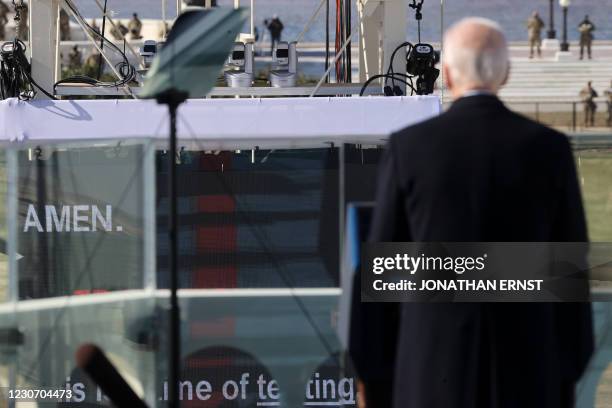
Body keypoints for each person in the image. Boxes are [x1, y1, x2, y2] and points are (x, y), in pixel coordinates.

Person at [355, 17, 593, 408]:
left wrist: (377, 379)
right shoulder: (550, 149)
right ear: (507, 73)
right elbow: (571, 271)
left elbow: (382, 276)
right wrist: (564, 371)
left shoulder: (408, 148)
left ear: (446, 75)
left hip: (430, 375)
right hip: (529, 375)